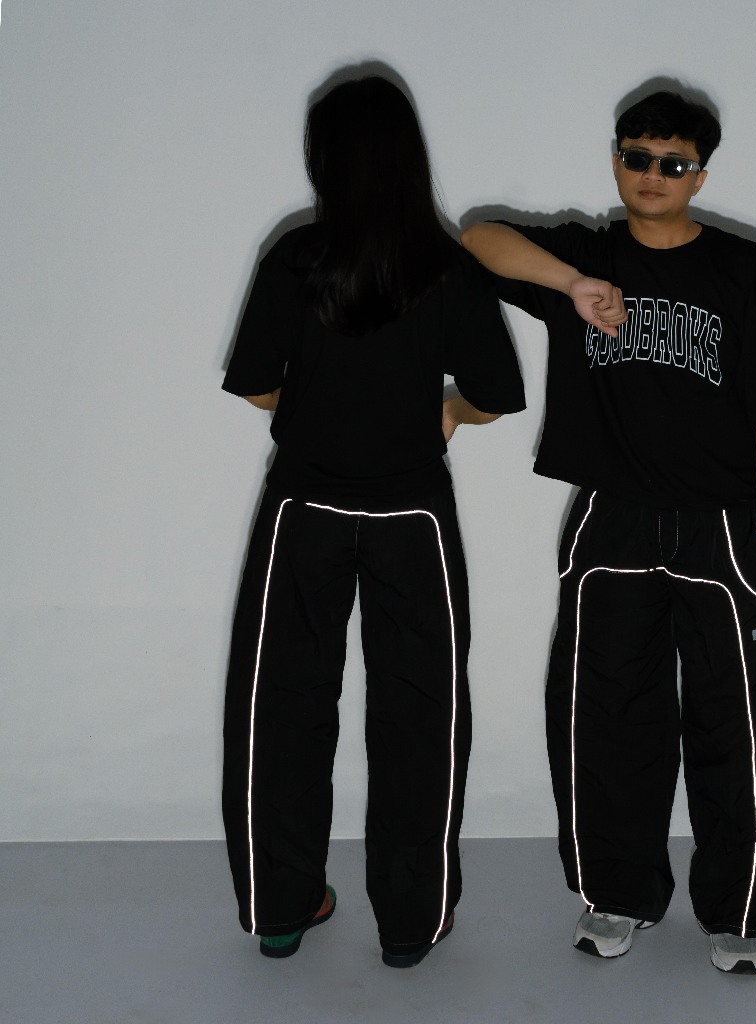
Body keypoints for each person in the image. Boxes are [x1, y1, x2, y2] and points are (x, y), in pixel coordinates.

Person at [461, 88, 756, 974]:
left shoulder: (743, 270)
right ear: (615, 159)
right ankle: (616, 894)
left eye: (673, 162)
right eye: (636, 157)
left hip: (722, 527)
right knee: (604, 715)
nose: (652, 175)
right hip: (612, 522)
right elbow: (476, 240)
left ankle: (738, 908)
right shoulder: (587, 254)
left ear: (700, 174)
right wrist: (570, 285)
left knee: (741, 725)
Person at [220, 73, 525, 968]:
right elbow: (498, 393)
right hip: (411, 520)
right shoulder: (447, 267)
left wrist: (317, 412)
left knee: (280, 706)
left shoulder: (295, 257)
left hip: (304, 511)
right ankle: (410, 922)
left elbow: (254, 384)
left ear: (325, 161)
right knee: (420, 712)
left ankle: (281, 909)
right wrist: (447, 413)